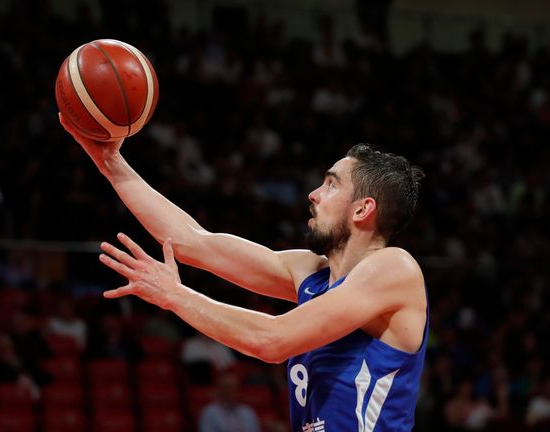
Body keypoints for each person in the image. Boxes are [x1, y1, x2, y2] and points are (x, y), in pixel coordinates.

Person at [59, 113, 429, 431]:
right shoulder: (311, 273)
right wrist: (111, 163)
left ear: (363, 210)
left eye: (331, 184)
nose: (314, 194)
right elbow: (192, 242)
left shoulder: (394, 268)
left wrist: (176, 295)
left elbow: (273, 340)